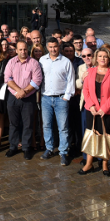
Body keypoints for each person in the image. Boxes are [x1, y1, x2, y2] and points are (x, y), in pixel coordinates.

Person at [79, 48, 110, 176]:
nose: (102, 59)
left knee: (106, 137)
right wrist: (91, 105)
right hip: (91, 110)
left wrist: (104, 109)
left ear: (109, 59)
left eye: (105, 56)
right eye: (100, 56)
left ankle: (105, 164)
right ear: (96, 58)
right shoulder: (89, 72)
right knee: (92, 136)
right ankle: (89, 163)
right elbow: (85, 90)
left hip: (106, 111)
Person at [38, 37, 75, 165]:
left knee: (63, 127)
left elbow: (71, 81)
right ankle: (49, 148)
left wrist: (66, 97)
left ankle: (63, 152)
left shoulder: (66, 62)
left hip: (61, 99)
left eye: (55, 46)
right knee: (47, 125)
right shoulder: (42, 60)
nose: (53, 49)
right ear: (47, 47)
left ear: (58, 46)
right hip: (46, 98)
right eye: (51, 47)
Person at [4, 41, 43, 160]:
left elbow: (37, 80)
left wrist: (24, 91)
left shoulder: (34, 63)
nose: (23, 51)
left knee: (28, 124)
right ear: (16, 50)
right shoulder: (11, 62)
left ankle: (26, 148)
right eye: (20, 49)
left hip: (29, 98)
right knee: (13, 123)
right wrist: (18, 91)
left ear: (28, 49)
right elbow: (7, 78)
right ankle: (13, 146)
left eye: (25, 49)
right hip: (13, 97)